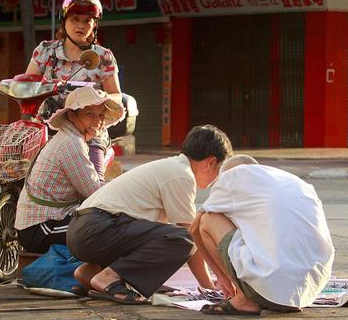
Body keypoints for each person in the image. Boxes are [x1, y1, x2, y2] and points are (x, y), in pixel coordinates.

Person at [67, 124, 233, 304]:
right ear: (211, 162)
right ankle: (107, 278)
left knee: (168, 236)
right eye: (219, 171)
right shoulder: (182, 175)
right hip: (96, 228)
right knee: (184, 239)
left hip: (80, 231)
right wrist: (210, 287)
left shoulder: (172, 167)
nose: (215, 180)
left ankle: (90, 272)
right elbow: (191, 237)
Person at [190, 155, 335, 316]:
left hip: (270, 287)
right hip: (307, 290)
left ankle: (244, 300)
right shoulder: (298, 183)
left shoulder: (233, 177)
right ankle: (264, 294)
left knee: (208, 219)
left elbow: (195, 228)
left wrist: (220, 277)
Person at [26, 0, 124, 182]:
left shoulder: (103, 56)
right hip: (47, 125)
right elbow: (27, 83)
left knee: (94, 179)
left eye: (87, 20)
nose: (80, 25)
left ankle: (95, 199)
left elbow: (116, 95)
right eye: (75, 19)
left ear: (94, 24)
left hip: (89, 128)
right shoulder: (45, 51)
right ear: (64, 21)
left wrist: (100, 97)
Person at [14, 86, 124, 253]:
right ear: (72, 115)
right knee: (109, 228)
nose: (98, 121)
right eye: (90, 114)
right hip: (40, 229)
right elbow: (94, 192)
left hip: (50, 220)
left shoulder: (71, 137)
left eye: (101, 115)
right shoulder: (71, 143)